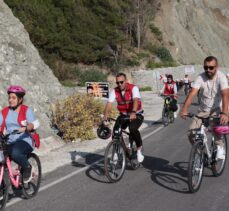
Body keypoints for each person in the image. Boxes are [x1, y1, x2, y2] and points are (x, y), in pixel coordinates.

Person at [180, 56, 228, 159]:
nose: (208, 70)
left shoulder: (221, 77)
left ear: (216, 67)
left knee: (214, 126)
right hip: (203, 110)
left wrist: (224, 113)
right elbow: (192, 94)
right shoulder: (200, 77)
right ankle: (202, 153)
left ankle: (220, 147)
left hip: (217, 109)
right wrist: (184, 109)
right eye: (206, 67)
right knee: (191, 133)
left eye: (211, 68)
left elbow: (225, 95)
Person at [0, 86, 40, 182]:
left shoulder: (26, 110)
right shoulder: (4, 112)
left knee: (15, 153)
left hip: (25, 140)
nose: (10, 100)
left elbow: (35, 124)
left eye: (13, 98)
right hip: (9, 141)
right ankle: (4, 182)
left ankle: (27, 168)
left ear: (20, 99)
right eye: (9, 98)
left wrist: (26, 128)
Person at [103, 73, 144, 163]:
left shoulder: (133, 88)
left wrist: (133, 112)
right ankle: (117, 152)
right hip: (124, 115)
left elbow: (136, 100)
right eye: (117, 83)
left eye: (121, 82)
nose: (119, 84)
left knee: (132, 128)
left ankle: (139, 150)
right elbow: (109, 104)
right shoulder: (115, 91)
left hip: (137, 114)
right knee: (115, 132)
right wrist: (105, 116)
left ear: (125, 81)